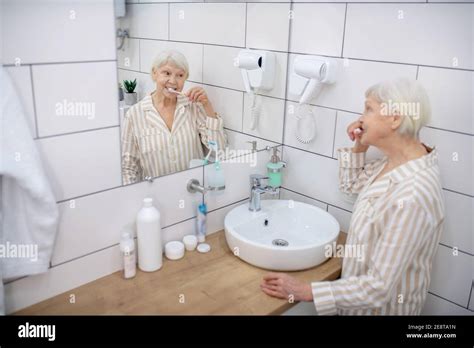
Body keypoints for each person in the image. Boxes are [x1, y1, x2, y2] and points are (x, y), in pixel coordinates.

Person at [261, 78, 445, 315]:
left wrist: (307, 290)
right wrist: (361, 144)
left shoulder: (414, 193)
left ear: (395, 118)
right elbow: (350, 188)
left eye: (368, 108)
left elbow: (379, 287)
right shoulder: (392, 165)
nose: (360, 118)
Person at [121, 50, 227, 184]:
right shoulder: (134, 115)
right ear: (154, 73)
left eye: (180, 75)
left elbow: (219, 149)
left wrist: (207, 106)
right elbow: (128, 168)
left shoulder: (193, 106)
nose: (173, 81)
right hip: (155, 197)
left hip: (193, 192)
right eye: (166, 73)